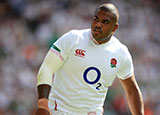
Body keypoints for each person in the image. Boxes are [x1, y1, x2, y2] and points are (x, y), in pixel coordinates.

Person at [36, 3, 144, 115]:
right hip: (59, 111)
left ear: (114, 27)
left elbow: (132, 90)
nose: (98, 24)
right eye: (96, 19)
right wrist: (43, 104)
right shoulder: (73, 38)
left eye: (105, 22)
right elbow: (47, 68)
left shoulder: (121, 53)